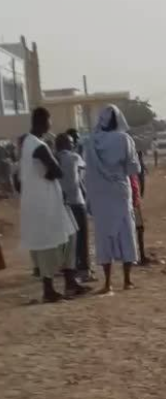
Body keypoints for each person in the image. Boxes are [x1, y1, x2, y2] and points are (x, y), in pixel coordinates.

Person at [18, 108, 87, 302]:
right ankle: (50, 289)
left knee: (67, 237)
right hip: (46, 202)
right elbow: (57, 171)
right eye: (50, 120)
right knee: (51, 243)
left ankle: (69, 281)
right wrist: (50, 173)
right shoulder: (39, 145)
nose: (51, 124)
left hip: (40, 201)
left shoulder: (26, 143)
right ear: (43, 121)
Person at [84, 105, 142, 294]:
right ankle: (127, 280)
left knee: (103, 236)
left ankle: (107, 282)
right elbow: (133, 168)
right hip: (120, 191)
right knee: (126, 232)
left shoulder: (91, 141)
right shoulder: (124, 139)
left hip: (99, 193)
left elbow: (88, 172)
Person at [56, 133, 92, 282]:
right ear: (66, 144)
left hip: (61, 204)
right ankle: (83, 269)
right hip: (77, 202)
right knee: (82, 237)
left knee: (66, 240)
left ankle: (68, 268)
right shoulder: (74, 157)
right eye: (71, 142)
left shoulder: (53, 158)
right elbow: (85, 168)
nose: (73, 144)